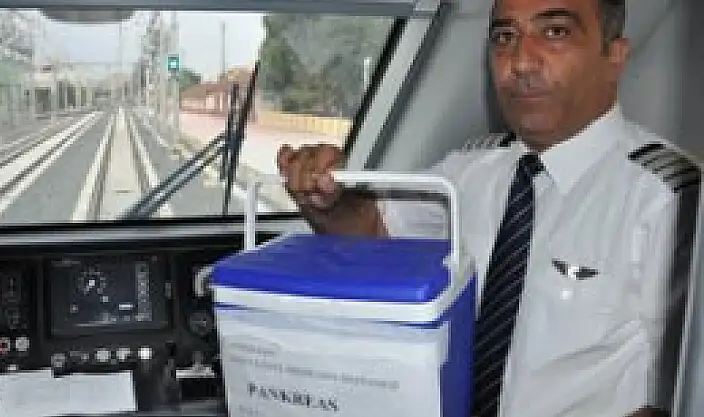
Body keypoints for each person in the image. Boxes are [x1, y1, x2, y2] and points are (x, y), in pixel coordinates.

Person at [277, 0, 700, 416]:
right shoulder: (469, 170)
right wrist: (327, 199)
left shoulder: (673, 201)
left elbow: (680, 398)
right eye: (505, 37)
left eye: (555, 32)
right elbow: (375, 229)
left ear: (614, 56)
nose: (521, 62)